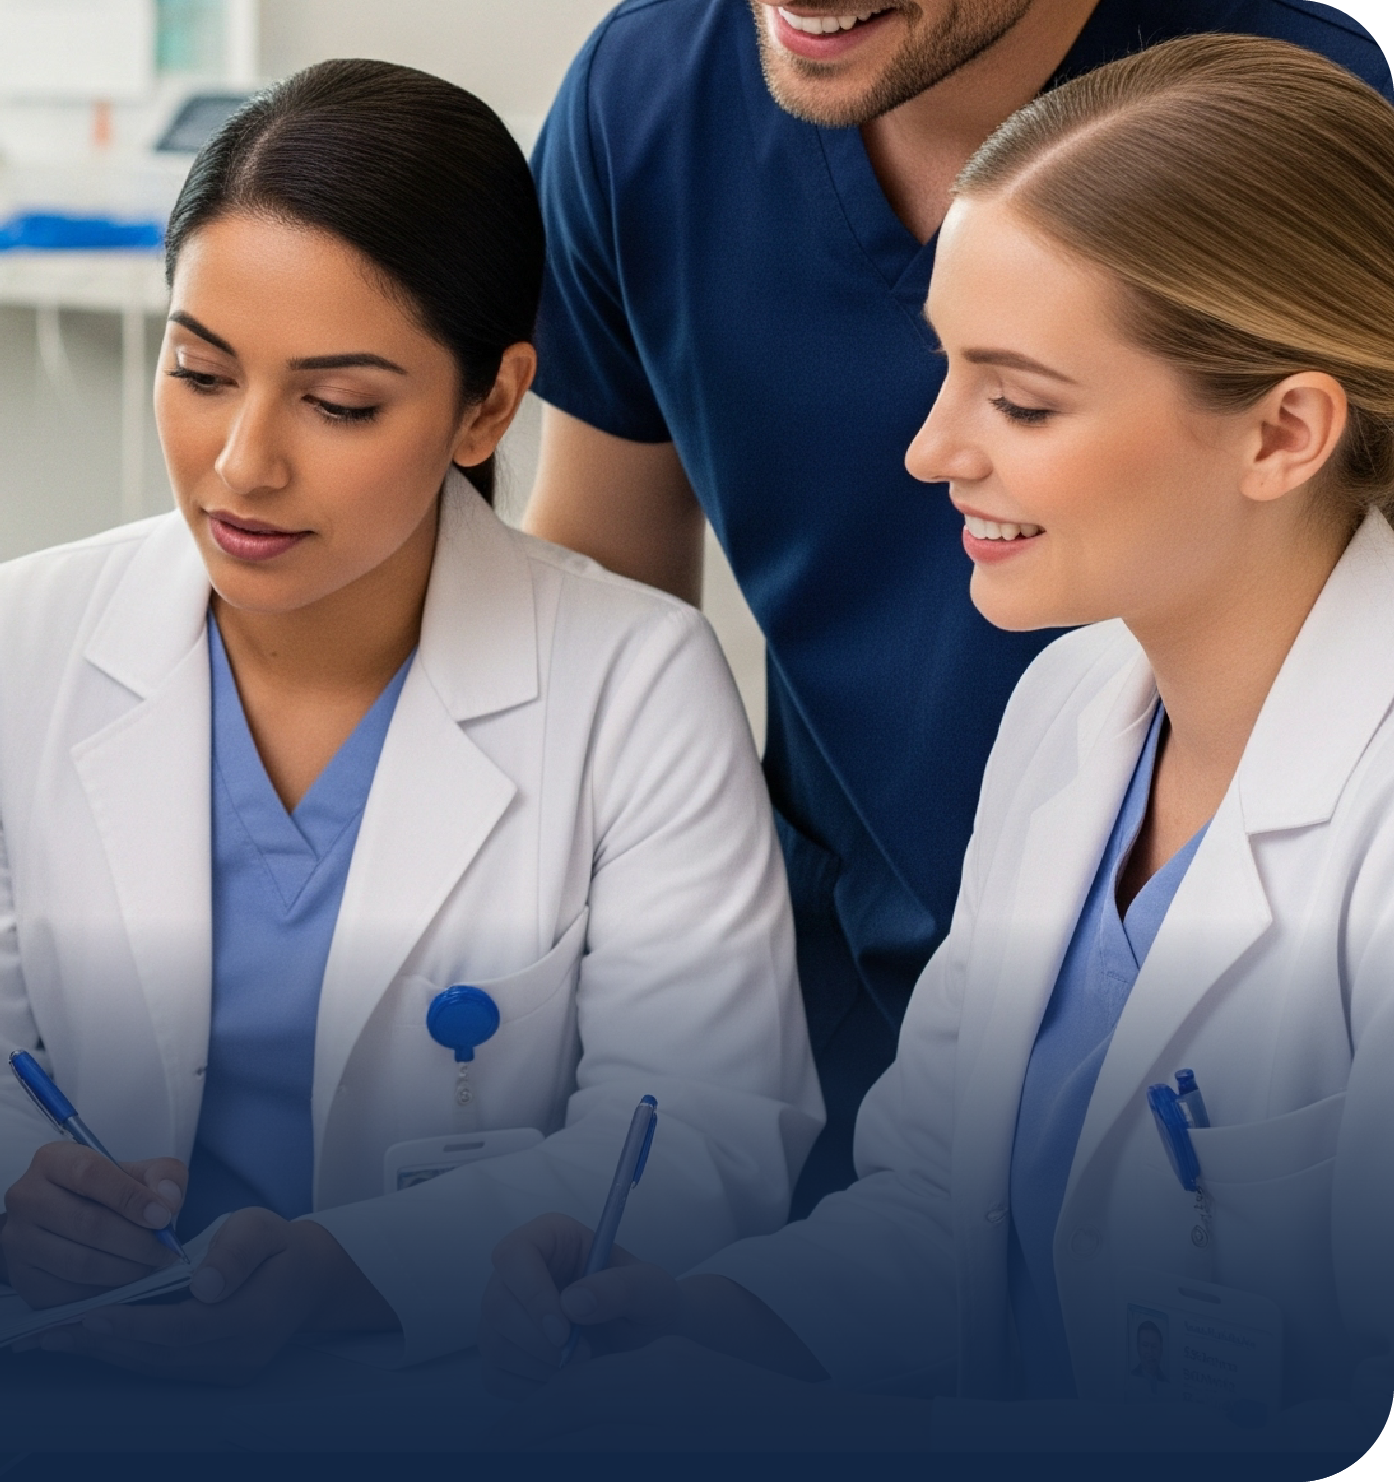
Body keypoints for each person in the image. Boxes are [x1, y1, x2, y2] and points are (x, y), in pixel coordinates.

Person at [483, 36, 1394, 1443]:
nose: (930, 450)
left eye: (1019, 400)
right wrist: (703, 1318)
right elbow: (934, 1215)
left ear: (1283, 431)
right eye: (947, 371)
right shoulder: (1069, 718)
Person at [0, 59, 820, 1383]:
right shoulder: (17, 638)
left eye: (339, 403)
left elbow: (704, 1132)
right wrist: (12, 1204)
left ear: (488, 402)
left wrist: (358, 1268)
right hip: (70, 1366)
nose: (244, 461)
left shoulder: (634, 682)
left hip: (455, 1384)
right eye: (201, 372)